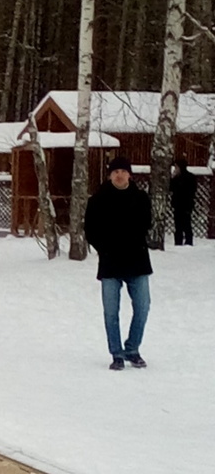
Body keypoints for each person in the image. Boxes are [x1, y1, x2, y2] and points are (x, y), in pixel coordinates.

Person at [83, 154, 152, 369]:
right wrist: (104, 248)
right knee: (111, 312)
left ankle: (132, 348)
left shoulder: (141, 198)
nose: (119, 175)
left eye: (123, 171)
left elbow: (146, 224)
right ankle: (117, 354)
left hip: (137, 261)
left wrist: (133, 240)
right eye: (115, 171)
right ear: (110, 175)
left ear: (130, 174)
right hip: (110, 263)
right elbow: (90, 229)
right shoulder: (98, 199)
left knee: (142, 307)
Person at [170, 158, 197, 246]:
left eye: (176, 167)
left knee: (183, 226)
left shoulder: (185, 178)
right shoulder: (188, 177)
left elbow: (172, 188)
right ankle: (183, 242)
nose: (175, 169)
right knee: (182, 226)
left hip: (184, 205)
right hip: (181, 205)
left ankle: (183, 243)